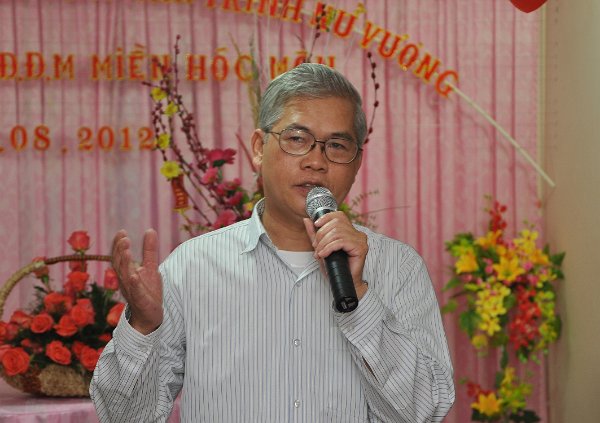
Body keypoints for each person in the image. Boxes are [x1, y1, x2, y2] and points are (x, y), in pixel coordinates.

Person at [90, 63, 455, 422]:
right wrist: (143, 327)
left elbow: (424, 411)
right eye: (297, 139)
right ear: (259, 148)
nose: (316, 161)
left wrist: (359, 297)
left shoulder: (397, 266)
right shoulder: (192, 267)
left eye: (337, 145)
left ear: (356, 163)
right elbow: (124, 417)